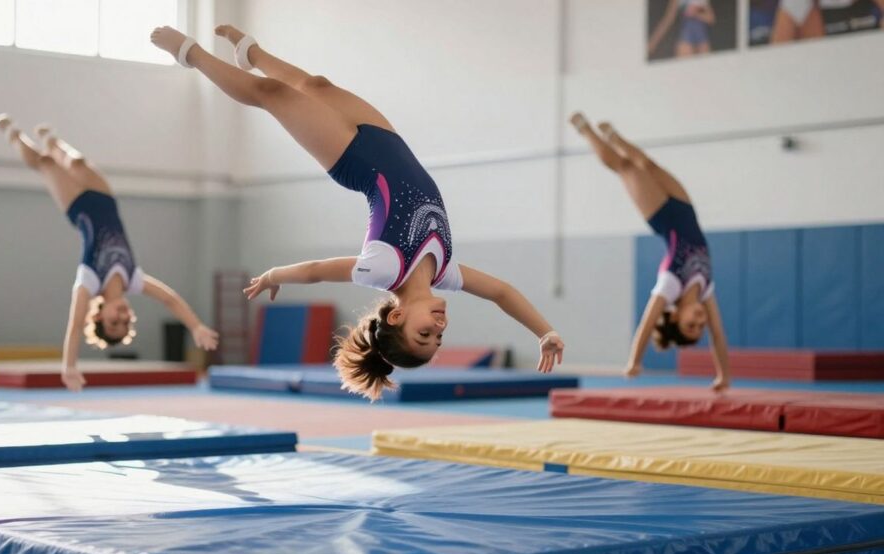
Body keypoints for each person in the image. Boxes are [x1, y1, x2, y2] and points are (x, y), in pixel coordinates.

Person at [149, 25, 564, 401]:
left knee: (273, 96)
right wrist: (544, 331)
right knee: (316, 84)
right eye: (438, 338)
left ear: (398, 316)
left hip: (351, 160)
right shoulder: (446, 272)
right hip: (387, 141)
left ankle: (190, 55)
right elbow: (502, 292)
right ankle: (252, 55)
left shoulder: (383, 271)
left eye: (424, 334)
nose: (439, 328)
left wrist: (275, 275)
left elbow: (315, 270)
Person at [0, 114, 219, 391]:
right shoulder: (133, 278)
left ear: (99, 316)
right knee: (77, 162)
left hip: (78, 208)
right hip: (105, 200)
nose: (122, 316)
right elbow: (170, 299)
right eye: (126, 322)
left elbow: (74, 327)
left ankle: (13, 135)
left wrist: (70, 366)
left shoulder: (89, 280)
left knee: (46, 163)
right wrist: (196, 327)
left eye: (114, 322)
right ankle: (52, 140)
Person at [570, 112, 730, 392]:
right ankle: (614, 136)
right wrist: (723, 376)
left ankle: (586, 131)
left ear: (676, 317)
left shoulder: (671, 284)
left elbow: (646, 323)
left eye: (691, 326)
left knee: (626, 167)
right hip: (685, 209)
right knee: (648, 164)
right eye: (699, 327)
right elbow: (718, 335)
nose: (700, 323)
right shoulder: (706, 289)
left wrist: (634, 361)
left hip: (662, 217)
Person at [648, 0, 717, 58]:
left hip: (702, 39)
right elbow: (668, 20)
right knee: (684, 70)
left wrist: (696, 13)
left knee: (705, 70)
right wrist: (653, 42)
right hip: (686, 37)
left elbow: (711, 19)